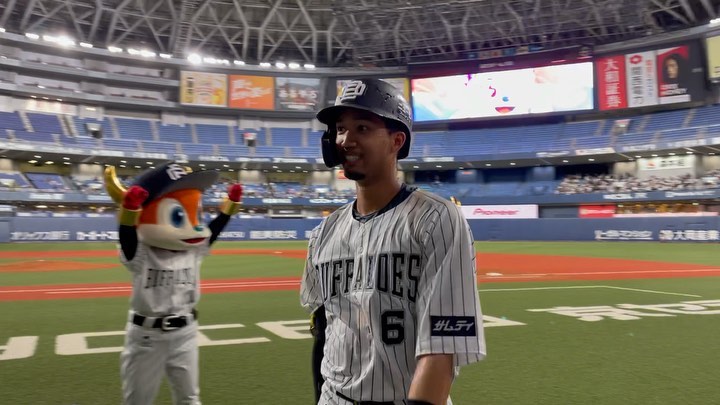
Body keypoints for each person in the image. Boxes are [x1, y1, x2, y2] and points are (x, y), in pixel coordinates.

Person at [300, 78, 486, 405]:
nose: (346, 140)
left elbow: (442, 348)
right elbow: (323, 331)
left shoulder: (437, 219)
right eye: (340, 129)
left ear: (396, 141)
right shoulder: (323, 234)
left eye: (362, 128)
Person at [104, 162, 243, 405]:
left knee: (190, 399)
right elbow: (127, 239)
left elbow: (213, 230)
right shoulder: (141, 252)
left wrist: (228, 209)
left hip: (185, 332)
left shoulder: (194, 248)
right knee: (138, 401)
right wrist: (129, 212)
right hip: (147, 337)